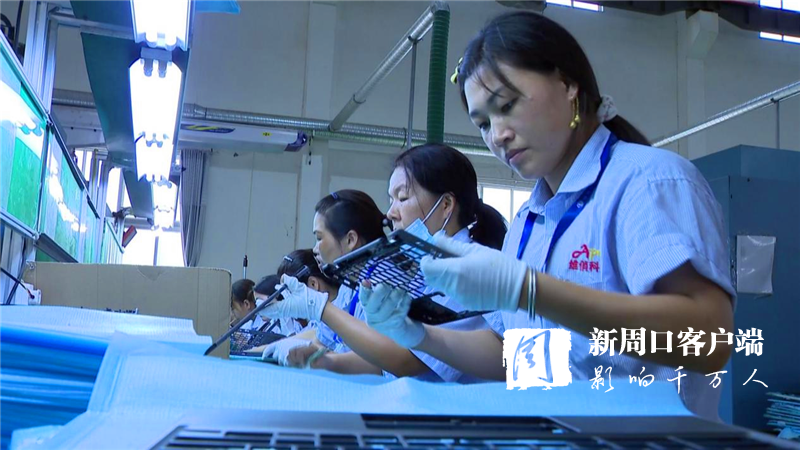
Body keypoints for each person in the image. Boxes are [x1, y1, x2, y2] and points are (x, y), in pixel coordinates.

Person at [362, 11, 734, 420]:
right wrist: (418, 336)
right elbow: (513, 356)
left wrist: (529, 290)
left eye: (507, 105)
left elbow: (708, 340)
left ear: (568, 84)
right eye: (483, 123)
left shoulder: (648, 182)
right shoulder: (528, 222)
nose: (497, 135)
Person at [263, 147, 508, 383]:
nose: (390, 213)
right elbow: (384, 364)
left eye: (402, 198)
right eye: (391, 200)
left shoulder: (465, 270)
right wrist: (325, 362)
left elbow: (407, 361)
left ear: (445, 205)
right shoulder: (422, 270)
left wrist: (320, 308)